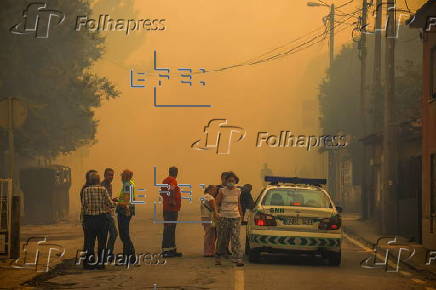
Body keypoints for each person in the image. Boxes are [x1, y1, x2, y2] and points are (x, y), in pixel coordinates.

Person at [81, 172, 113, 269]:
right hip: (102, 219)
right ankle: (101, 263)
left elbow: (84, 205)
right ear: (98, 180)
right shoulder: (103, 190)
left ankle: (90, 264)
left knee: (90, 242)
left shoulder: (86, 190)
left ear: (90, 180)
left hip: (90, 219)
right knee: (102, 242)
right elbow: (110, 203)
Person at [214, 171, 244, 267]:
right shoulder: (222, 191)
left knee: (236, 238)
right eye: (229, 180)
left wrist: (241, 215)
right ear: (226, 181)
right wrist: (216, 213)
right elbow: (216, 203)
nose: (231, 182)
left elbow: (238, 204)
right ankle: (218, 255)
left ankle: (238, 258)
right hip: (224, 217)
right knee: (223, 238)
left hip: (235, 217)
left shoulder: (238, 191)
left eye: (232, 180)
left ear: (236, 181)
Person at [161, 166, 182, 258]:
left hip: (166, 208)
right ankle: (169, 250)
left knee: (167, 229)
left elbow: (162, 192)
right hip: (171, 209)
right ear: (176, 172)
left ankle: (169, 249)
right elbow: (171, 189)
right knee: (170, 229)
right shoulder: (173, 180)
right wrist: (172, 200)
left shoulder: (164, 181)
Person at [116, 169, 136, 264]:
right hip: (127, 210)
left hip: (124, 211)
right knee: (125, 234)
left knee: (124, 234)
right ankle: (128, 256)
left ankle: (130, 256)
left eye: (122, 176)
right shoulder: (130, 184)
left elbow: (127, 198)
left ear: (125, 177)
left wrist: (121, 205)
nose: (121, 177)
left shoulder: (127, 185)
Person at [101, 168, 118, 261]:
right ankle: (108, 254)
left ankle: (107, 254)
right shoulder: (103, 186)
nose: (111, 177)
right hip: (105, 213)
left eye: (112, 175)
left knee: (111, 234)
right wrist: (114, 203)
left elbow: (108, 199)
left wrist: (113, 199)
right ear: (105, 175)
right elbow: (104, 201)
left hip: (108, 213)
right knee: (113, 233)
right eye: (109, 175)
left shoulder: (109, 185)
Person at [80, 169, 97, 252]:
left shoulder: (91, 188)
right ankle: (88, 258)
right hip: (87, 217)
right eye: (92, 177)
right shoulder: (85, 189)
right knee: (88, 239)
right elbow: (84, 204)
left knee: (89, 239)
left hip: (90, 217)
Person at [200, 185, 218, 257]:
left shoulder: (203, 196)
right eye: (215, 190)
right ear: (210, 190)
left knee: (207, 234)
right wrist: (217, 215)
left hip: (204, 217)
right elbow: (213, 208)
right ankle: (209, 252)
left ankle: (207, 251)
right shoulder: (210, 198)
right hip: (210, 217)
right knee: (211, 235)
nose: (215, 192)